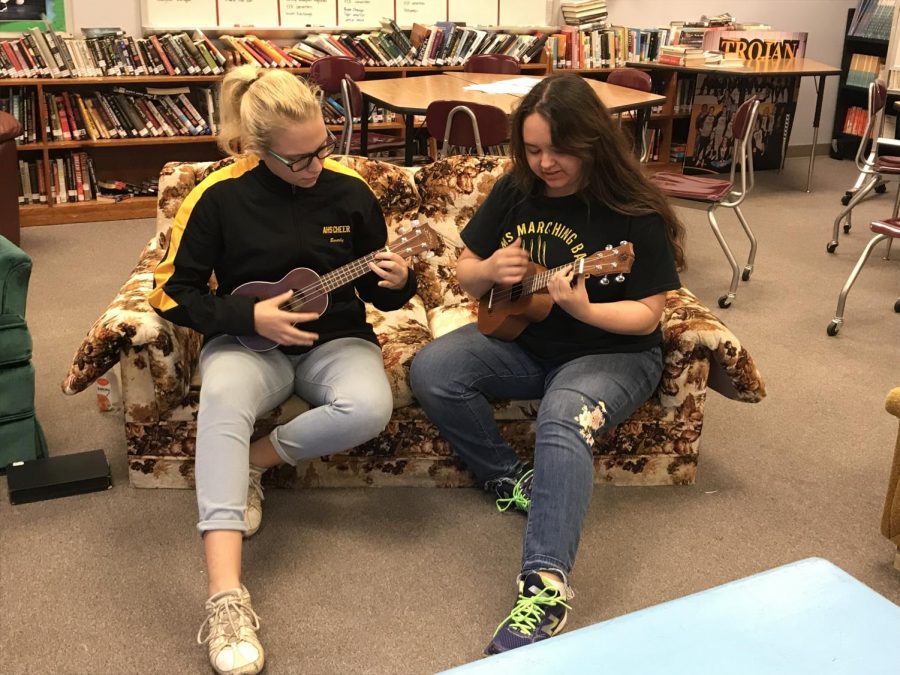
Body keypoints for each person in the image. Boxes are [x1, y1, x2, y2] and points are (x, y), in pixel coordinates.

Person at [149, 65, 416, 675]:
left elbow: (385, 295)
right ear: (256, 148)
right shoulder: (215, 196)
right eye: (297, 160)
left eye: (322, 148)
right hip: (249, 343)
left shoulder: (350, 192)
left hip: (335, 340)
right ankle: (225, 600)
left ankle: (252, 463)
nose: (315, 167)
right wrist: (250, 314)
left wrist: (403, 282)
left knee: (369, 407)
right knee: (221, 401)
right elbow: (172, 293)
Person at [409, 73, 685, 655]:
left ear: (592, 141)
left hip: (613, 354)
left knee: (564, 415)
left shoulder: (633, 211)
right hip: (526, 340)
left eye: (558, 150)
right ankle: (511, 479)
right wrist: (488, 274)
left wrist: (586, 309)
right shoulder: (516, 189)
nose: (545, 163)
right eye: (532, 149)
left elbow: (648, 315)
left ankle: (544, 589)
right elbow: (466, 267)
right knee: (432, 371)